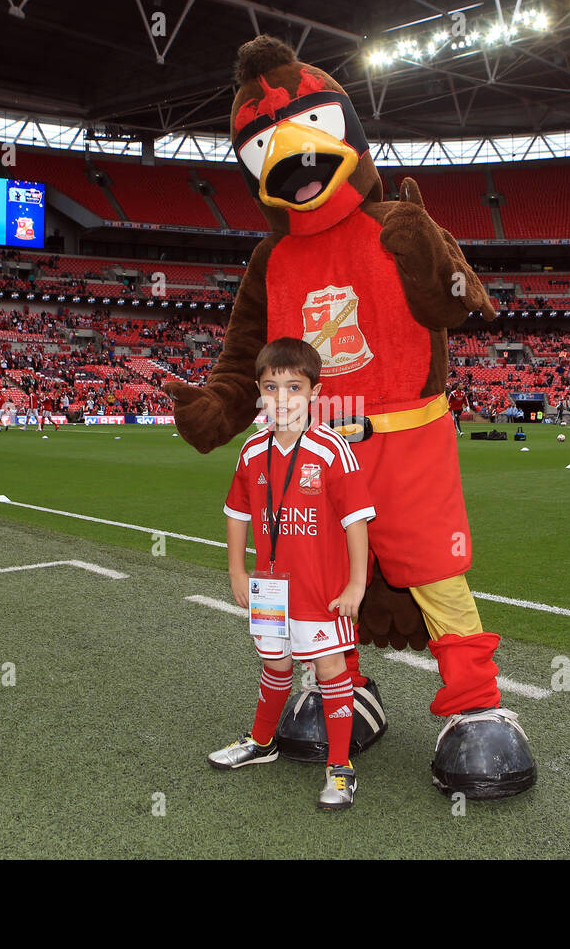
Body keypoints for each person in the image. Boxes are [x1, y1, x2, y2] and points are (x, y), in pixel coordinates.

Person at [209, 337, 375, 811]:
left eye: (294, 387)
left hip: (320, 589)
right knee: (275, 666)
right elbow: (236, 514)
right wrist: (237, 571)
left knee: (329, 670)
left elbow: (357, 520)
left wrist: (357, 584)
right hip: (267, 588)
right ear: (259, 392)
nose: (282, 398)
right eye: (271, 387)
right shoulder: (251, 451)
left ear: (315, 393)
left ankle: (340, 768)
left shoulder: (331, 450)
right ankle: (262, 744)